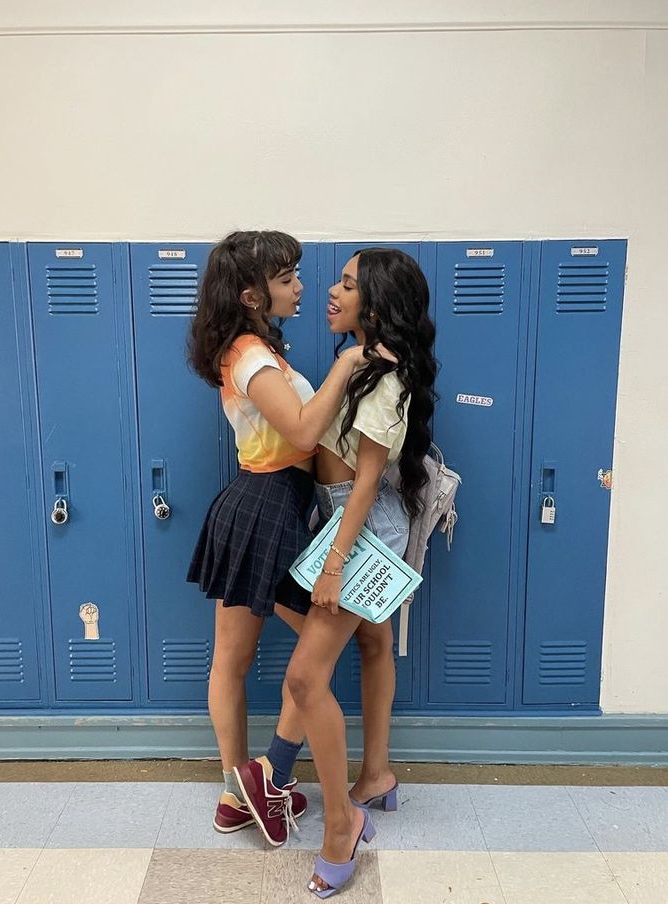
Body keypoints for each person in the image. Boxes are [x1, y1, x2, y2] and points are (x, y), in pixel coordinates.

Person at [238, 248, 436, 897]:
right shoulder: (360, 364)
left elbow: (369, 481)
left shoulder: (384, 374)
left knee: (304, 676)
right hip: (342, 514)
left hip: (361, 525)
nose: (329, 291)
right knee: (373, 643)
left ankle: (339, 826)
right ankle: (373, 777)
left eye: (346, 286)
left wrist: (332, 563)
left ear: (374, 306)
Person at [186, 231, 385, 839]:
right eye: (286, 278)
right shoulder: (250, 356)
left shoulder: (251, 349)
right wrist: (350, 361)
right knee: (302, 657)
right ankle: (261, 781)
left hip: (262, 504)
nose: (301, 287)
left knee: (238, 658)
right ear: (251, 294)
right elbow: (301, 433)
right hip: (269, 504)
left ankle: (240, 793)